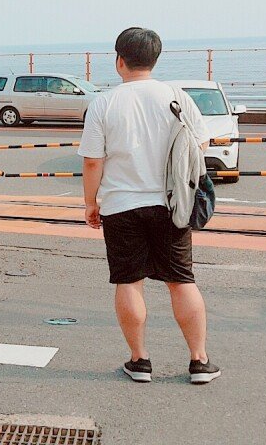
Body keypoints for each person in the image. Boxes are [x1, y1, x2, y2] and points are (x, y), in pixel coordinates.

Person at [78, 27, 219, 385]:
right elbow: (199, 146)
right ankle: (199, 361)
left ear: (119, 61)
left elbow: (93, 161)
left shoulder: (104, 103)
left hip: (121, 207)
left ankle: (139, 361)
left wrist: (90, 204)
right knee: (180, 280)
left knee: (129, 281)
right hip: (172, 205)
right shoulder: (176, 96)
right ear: (155, 60)